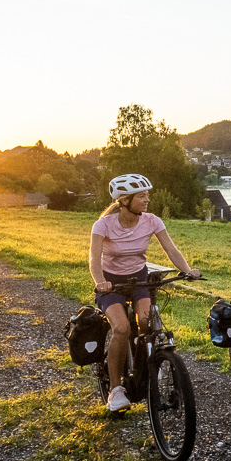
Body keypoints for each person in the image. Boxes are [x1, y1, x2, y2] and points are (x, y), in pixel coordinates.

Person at [89, 173, 200, 413]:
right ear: (124, 200)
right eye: (141, 196)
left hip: (140, 279)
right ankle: (115, 390)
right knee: (121, 328)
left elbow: (171, 250)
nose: (147, 199)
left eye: (147, 195)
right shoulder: (103, 225)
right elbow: (94, 260)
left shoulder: (152, 221)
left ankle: (146, 366)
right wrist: (100, 282)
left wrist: (187, 270)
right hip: (111, 283)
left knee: (146, 323)